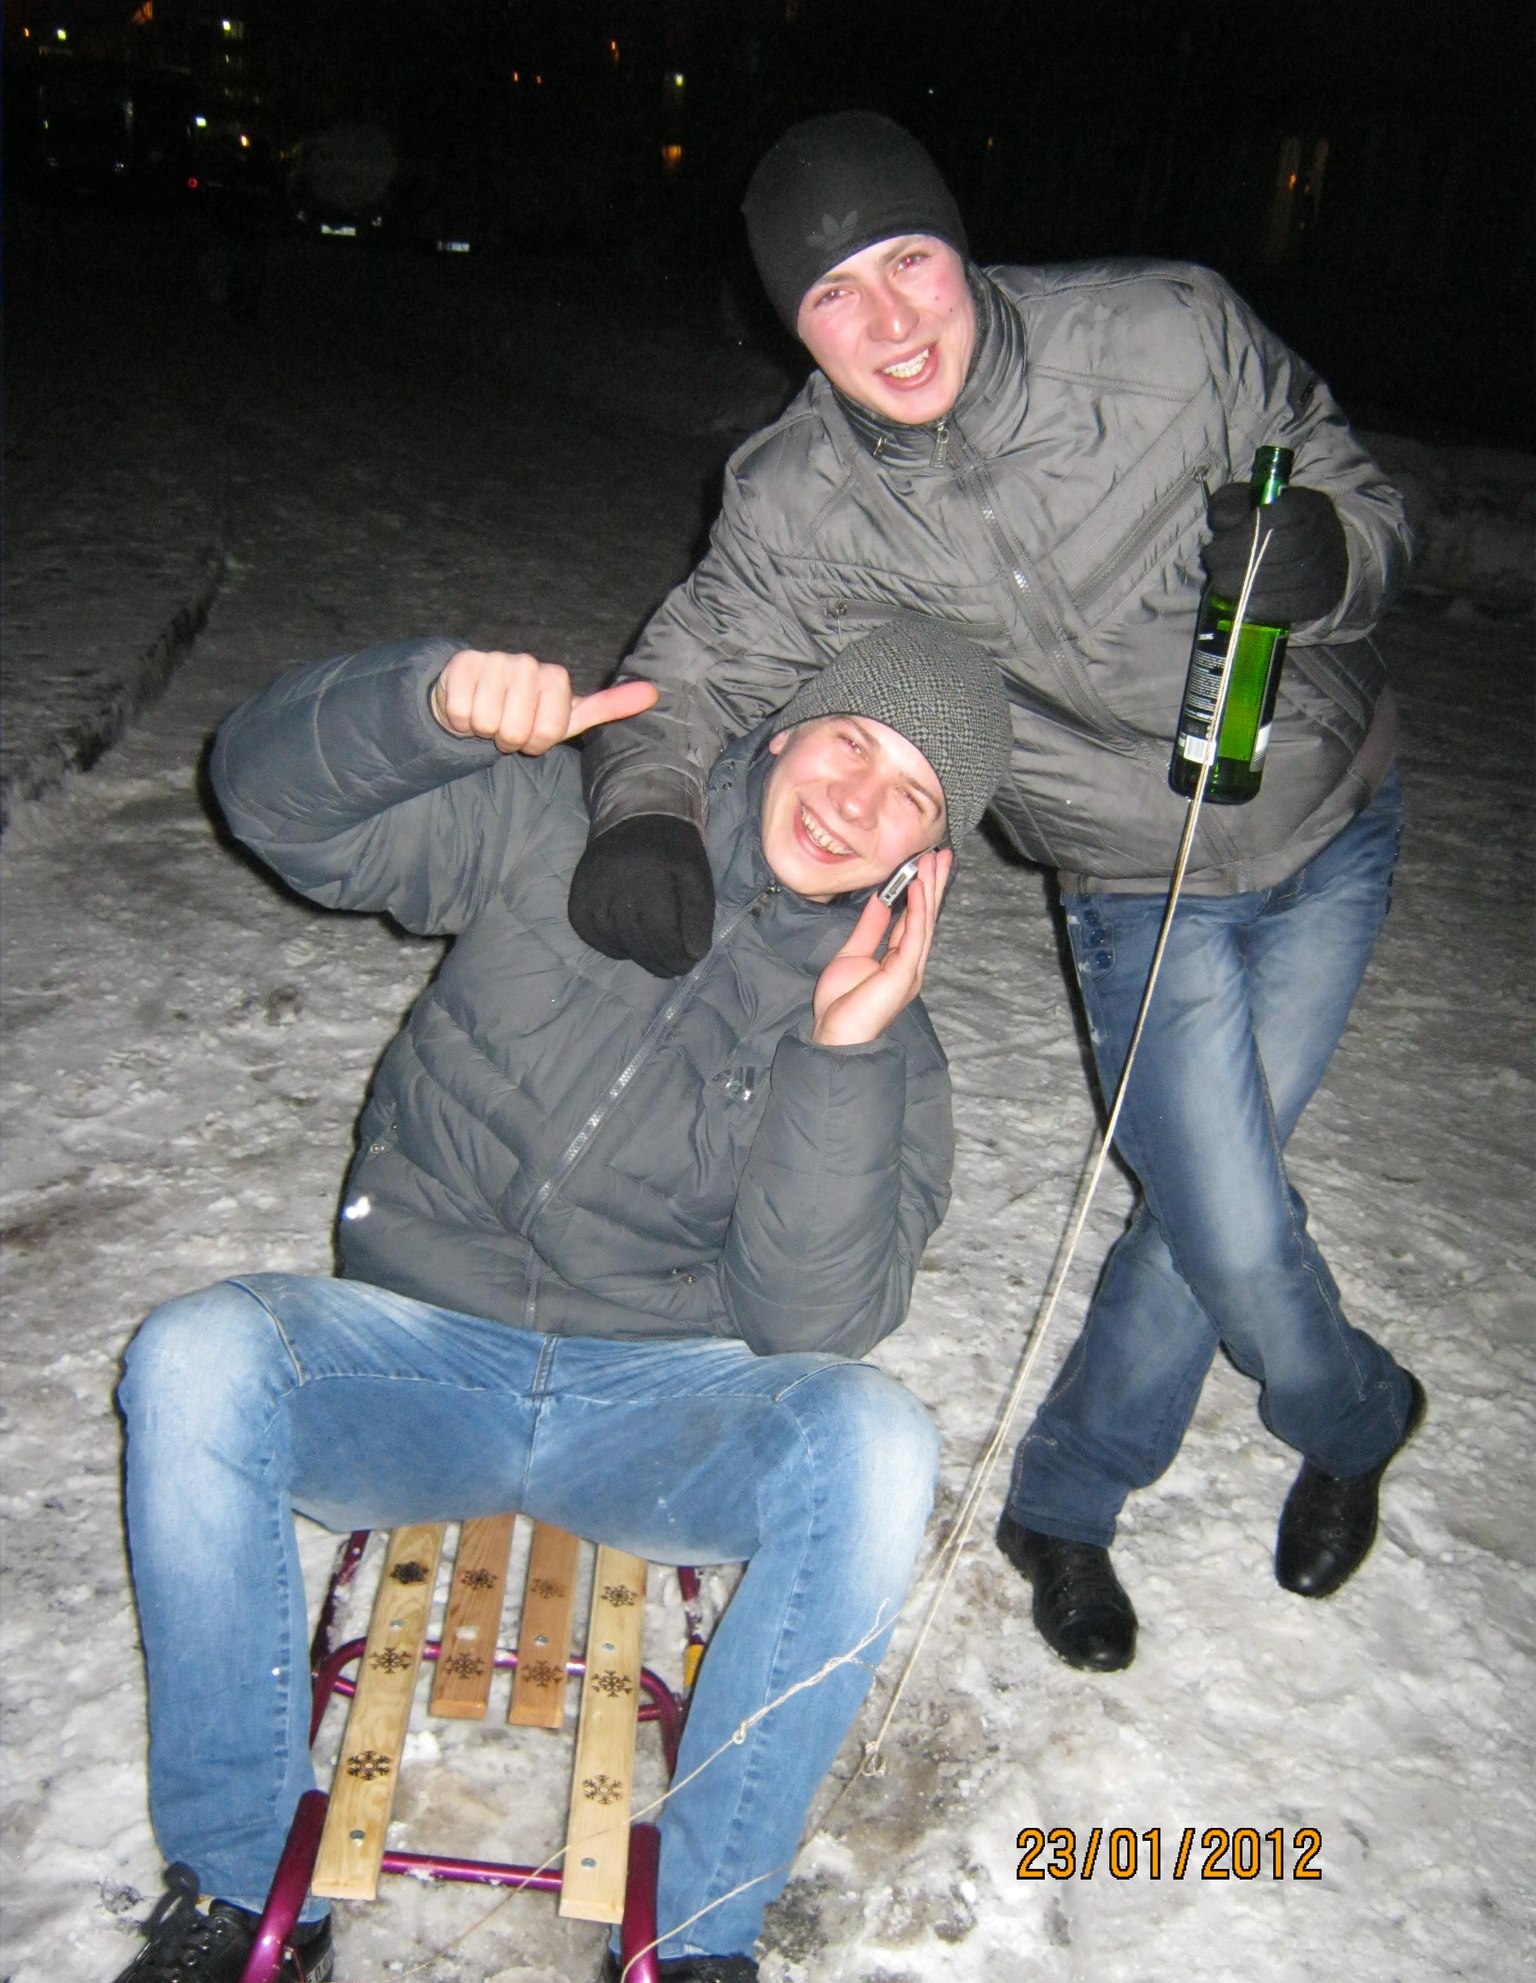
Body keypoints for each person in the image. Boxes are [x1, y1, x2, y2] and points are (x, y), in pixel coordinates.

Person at [6, 616, 1014, 1983]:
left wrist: (841, 1056)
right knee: (198, 1356)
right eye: (850, 741)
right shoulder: (571, 828)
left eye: (910, 793)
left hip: (649, 1412)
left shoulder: (896, 1047)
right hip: (418, 1353)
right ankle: (239, 1906)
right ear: (786, 730)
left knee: (876, 1441)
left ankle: (698, 1953)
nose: (856, 799)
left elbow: (814, 1324)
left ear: (930, 855)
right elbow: (271, 805)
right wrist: (422, 703)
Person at [556, 111, 1424, 1676]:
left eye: (909, 261)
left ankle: (1064, 1506)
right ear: (789, 325)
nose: (889, 321)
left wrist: (1329, 559)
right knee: (1225, 1210)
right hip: (1131, 879)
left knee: (1204, 1200)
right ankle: (1358, 1414)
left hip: (1328, 823)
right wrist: (645, 815)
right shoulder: (804, 499)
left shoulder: (1166, 336)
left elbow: (1363, 500)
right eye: (833, 295)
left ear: (960, 246)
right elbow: (687, 669)